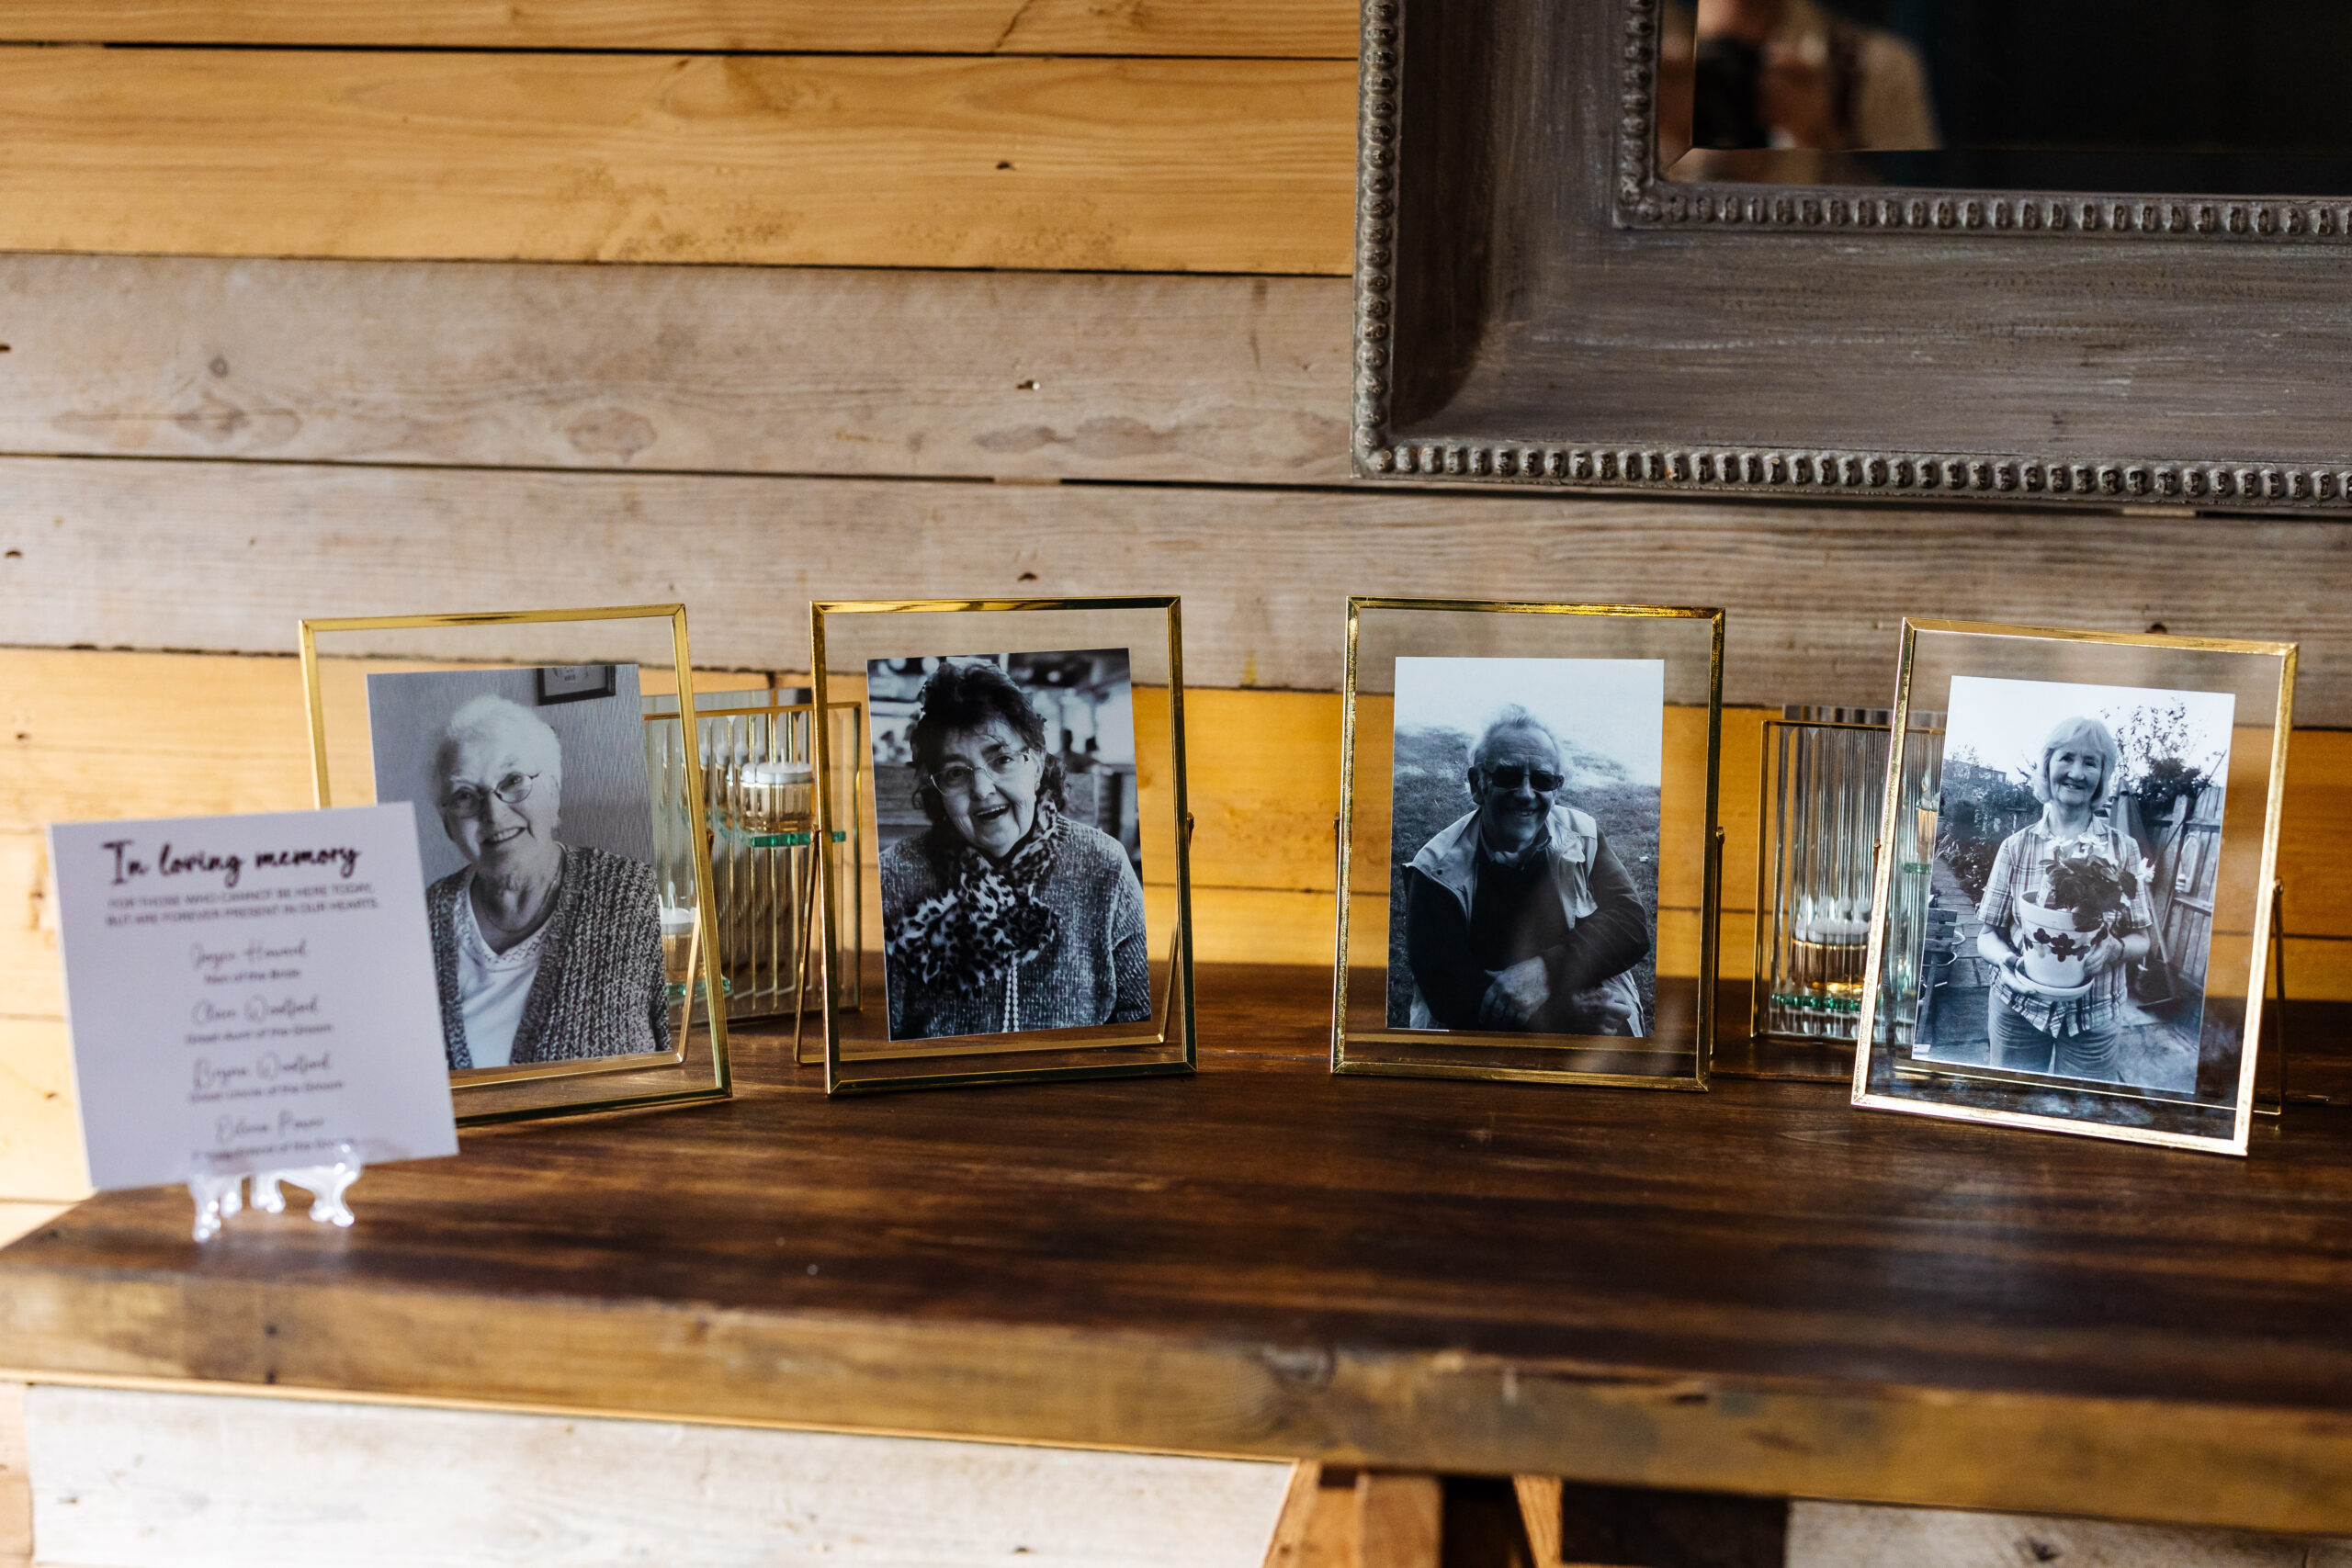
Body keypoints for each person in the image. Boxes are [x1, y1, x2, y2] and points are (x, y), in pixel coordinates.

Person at [880, 660, 1151, 1040]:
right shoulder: (894, 875)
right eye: (956, 772)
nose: (982, 790)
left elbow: (1140, 1022)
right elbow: (878, 1033)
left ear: (1037, 765)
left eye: (1002, 759)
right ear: (937, 791)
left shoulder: (1104, 866)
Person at [424, 694, 669, 1070]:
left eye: (513, 780)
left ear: (553, 793)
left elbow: (688, 1057)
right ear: (448, 825)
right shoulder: (418, 920)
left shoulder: (632, 895)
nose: (493, 812)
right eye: (464, 796)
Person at [1401, 707, 1652, 1035]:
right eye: (1507, 776)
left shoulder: (1584, 834)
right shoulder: (1435, 869)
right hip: (1491, 1038)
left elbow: (1631, 926)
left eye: (1542, 780)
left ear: (1556, 789)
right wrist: (1568, 1011)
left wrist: (1544, 972)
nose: (1526, 794)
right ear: (1478, 784)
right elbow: (1449, 994)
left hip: (1585, 1013)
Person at [1973, 716, 2156, 1082]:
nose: (2077, 772)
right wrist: (2009, 962)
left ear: (2102, 776)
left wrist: (2116, 950)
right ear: (2047, 766)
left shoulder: (2124, 850)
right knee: (2013, 1106)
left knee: (2080, 1111)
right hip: (2019, 1007)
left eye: (2091, 762)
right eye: (2066, 758)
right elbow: (1986, 934)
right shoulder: (2017, 846)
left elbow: (2142, 939)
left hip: (2095, 1013)